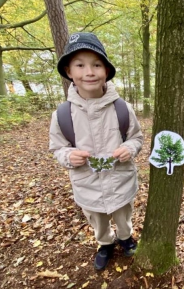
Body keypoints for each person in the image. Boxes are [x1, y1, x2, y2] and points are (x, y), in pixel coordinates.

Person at [49, 32, 143, 270]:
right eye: (80, 65)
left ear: (106, 71)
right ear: (69, 71)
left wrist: (129, 148)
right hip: (87, 185)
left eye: (96, 65)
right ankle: (105, 244)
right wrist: (68, 156)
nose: (89, 72)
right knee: (98, 220)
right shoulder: (62, 115)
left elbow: (136, 137)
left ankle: (125, 238)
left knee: (123, 215)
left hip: (120, 181)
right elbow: (58, 147)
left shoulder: (122, 108)